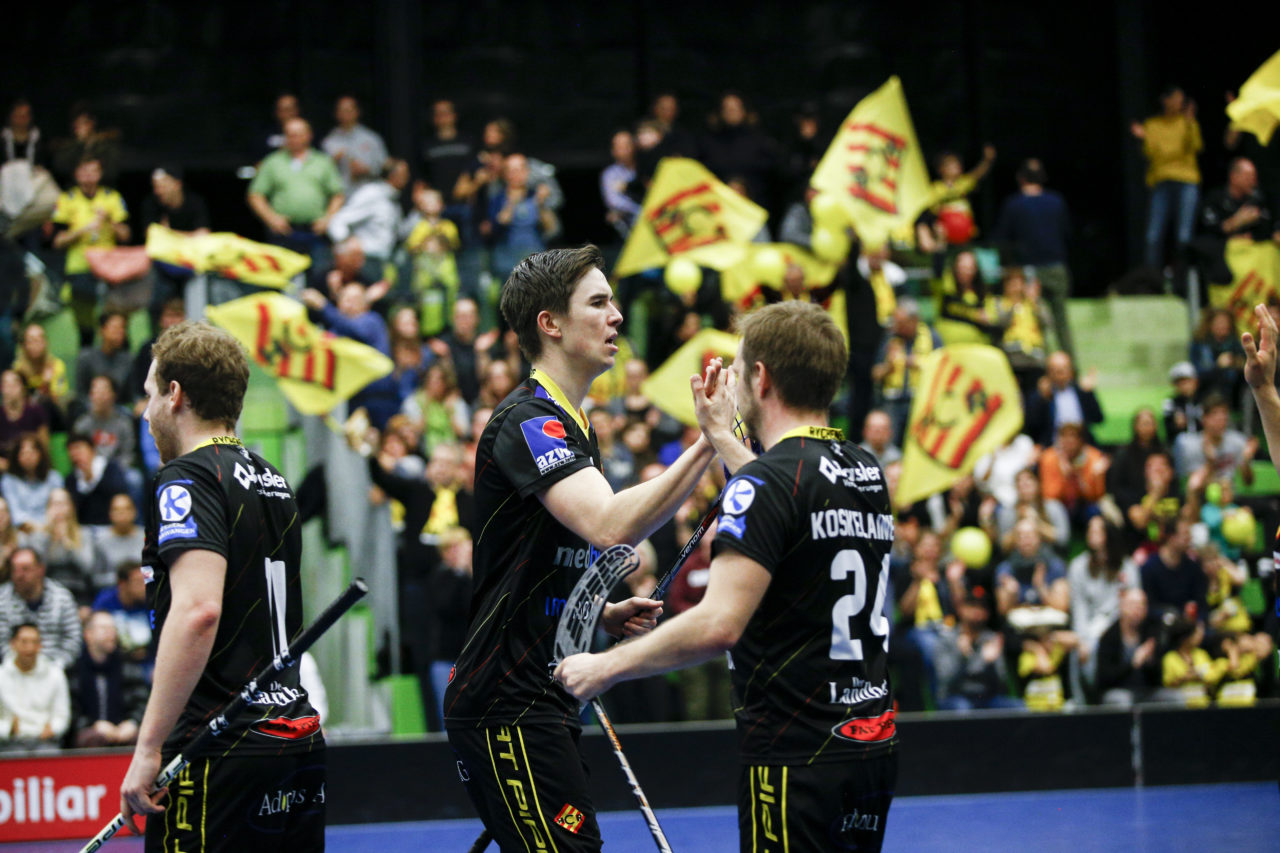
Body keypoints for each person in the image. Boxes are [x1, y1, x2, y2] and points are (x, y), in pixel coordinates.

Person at [556, 301, 898, 853]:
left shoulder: (762, 485)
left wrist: (604, 667)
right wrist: (718, 435)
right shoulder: (863, 468)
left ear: (761, 379)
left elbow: (718, 625)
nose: (731, 380)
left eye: (738, 369)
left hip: (792, 753)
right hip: (869, 744)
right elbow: (783, 497)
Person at [444, 245, 727, 851]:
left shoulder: (574, 424)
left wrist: (593, 611)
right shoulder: (530, 420)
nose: (617, 316)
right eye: (598, 303)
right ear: (551, 323)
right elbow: (607, 525)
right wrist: (710, 442)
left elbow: (535, 565)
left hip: (543, 694)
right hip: (505, 702)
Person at [118, 322, 324, 846]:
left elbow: (198, 611)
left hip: (219, 748)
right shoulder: (274, 479)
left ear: (175, 395)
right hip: (292, 739)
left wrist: (148, 747)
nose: (145, 415)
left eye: (148, 396)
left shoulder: (187, 478)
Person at [992, 158, 1072, 357]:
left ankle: (1046, 373)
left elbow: (1002, 239)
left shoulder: (1014, 204)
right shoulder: (1056, 201)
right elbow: (1067, 233)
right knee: (1062, 325)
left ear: (1020, 178)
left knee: (1036, 322)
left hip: (1030, 271)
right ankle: (1071, 372)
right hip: (1057, 267)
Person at [51, 158, 130, 344]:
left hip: (108, 268)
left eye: (93, 171)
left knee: (115, 321)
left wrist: (109, 220)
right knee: (85, 326)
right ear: (76, 175)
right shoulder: (67, 199)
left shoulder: (112, 197)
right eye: (83, 171)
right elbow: (57, 241)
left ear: (100, 174)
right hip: (79, 268)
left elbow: (126, 236)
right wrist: (82, 230)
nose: (88, 176)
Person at [1130, 86, 1202, 270]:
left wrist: (1189, 123)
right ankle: (1152, 281)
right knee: (1153, 236)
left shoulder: (1187, 122)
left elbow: (1196, 146)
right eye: (1176, 99)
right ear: (1166, 100)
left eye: (1181, 99)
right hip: (1161, 182)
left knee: (1184, 236)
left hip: (1187, 181)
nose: (1179, 103)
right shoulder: (1153, 125)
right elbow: (1151, 153)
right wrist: (1146, 139)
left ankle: (1184, 282)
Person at [70, 610, 147, 747]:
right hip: (91, 731)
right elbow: (71, 711)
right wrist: (93, 725)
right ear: (88, 634)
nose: (111, 633)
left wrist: (132, 722)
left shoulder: (128, 666)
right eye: (104, 628)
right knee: (92, 738)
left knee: (141, 738)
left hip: (123, 729)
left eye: (113, 628)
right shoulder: (74, 670)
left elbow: (142, 701)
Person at [0, 547, 82, 669]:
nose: (19, 575)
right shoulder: (2, 599)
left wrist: (54, 668)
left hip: (56, 670)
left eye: (25, 569)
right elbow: (2, 642)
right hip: (12, 672)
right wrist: (19, 667)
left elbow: (73, 639)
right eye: (14, 570)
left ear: (40, 570)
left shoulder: (62, 597)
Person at [0, 623, 70, 751]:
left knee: (49, 754)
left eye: (35, 642)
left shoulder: (55, 674)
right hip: (10, 741)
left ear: (40, 646)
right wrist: (8, 728)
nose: (30, 648)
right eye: (24, 642)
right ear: (13, 644)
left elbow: (62, 715)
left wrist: (54, 728)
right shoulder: (2, 675)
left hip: (46, 740)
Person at [321, 95, 388, 194]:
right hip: (343, 194)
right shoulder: (329, 142)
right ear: (337, 114)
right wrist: (334, 161)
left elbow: (384, 166)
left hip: (368, 192)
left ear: (357, 112)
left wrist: (367, 170)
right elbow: (321, 171)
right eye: (342, 111)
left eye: (349, 110)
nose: (346, 114)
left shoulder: (371, 138)